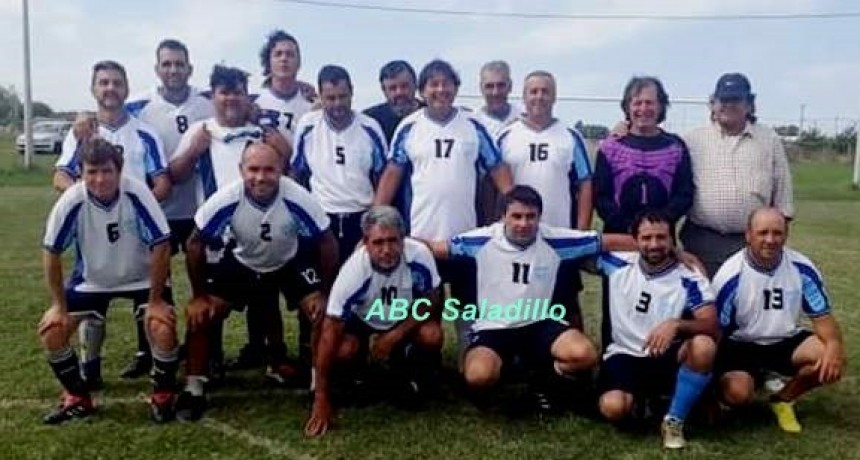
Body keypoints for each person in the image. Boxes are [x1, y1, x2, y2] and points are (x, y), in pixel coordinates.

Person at [422, 185, 635, 413]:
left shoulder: (556, 240)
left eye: (530, 217)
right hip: (494, 325)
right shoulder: (481, 239)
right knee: (478, 377)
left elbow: (605, 241)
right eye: (516, 216)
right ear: (503, 216)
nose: (524, 223)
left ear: (539, 217)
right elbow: (436, 248)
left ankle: (545, 381)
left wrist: (660, 248)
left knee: (584, 355)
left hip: (540, 323)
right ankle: (507, 380)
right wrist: (398, 243)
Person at [175, 143, 337, 421]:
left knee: (321, 313)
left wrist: (325, 292)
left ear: (281, 171)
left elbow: (327, 241)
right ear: (241, 171)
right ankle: (194, 387)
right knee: (202, 315)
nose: (260, 177)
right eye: (253, 169)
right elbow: (194, 242)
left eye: (269, 170)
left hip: (289, 260)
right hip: (243, 260)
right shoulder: (227, 198)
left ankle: (316, 383)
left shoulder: (298, 197)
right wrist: (199, 295)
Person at [374, 59, 514, 365]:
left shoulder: (473, 127)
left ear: (456, 87)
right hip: (421, 239)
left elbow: (497, 168)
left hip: (464, 239)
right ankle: (424, 366)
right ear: (422, 90)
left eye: (446, 83)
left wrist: (513, 206)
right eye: (433, 84)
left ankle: (470, 360)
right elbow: (392, 173)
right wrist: (375, 219)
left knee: (467, 307)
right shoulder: (409, 127)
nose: (440, 90)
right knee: (426, 309)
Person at [97, 39, 214, 380]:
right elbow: (104, 112)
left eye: (179, 64)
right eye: (167, 64)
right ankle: (148, 349)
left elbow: (239, 102)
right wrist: (81, 121)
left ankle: (209, 353)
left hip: (198, 208)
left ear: (190, 68)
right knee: (150, 283)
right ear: (157, 69)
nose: (173, 70)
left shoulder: (206, 103)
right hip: (156, 209)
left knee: (203, 283)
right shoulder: (138, 106)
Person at [38, 138, 178, 424]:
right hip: (92, 280)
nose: (100, 179)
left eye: (106, 171)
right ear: (81, 173)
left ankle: (163, 395)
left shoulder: (137, 193)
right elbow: (51, 252)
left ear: (119, 170)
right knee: (52, 330)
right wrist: (57, 305)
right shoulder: (72, 200)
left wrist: (155, 301)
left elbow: (162, 244)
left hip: (140, 278)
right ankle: (78, 397)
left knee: (162, 327)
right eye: (92, 172)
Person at [53, 60, 170, 387]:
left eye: (116, 83)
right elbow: (60, 175)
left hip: (139, 234)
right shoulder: (81, 134)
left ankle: (150, 357)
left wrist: (139, 205)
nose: (110, 89)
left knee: (150, 297)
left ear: (126, 88)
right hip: (94, 234)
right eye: (103, 83)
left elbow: (162, 182)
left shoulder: (145, 133)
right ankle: (90, 367)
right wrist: (84, 197)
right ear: (93, 89)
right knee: (93, 295)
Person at [168, 64, 290, 379]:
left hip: (257, 233)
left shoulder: (261, 132)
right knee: (213, 304)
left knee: (265, 301)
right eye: (224, 92)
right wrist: (193, 153)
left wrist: (283, 150)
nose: (231, 99)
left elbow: (287, 171)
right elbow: (176, 176)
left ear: (246, 96)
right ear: (214, 96)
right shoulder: (201, 131)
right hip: (214, 234)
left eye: (237, 92)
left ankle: (271, 357)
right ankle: (209, 361)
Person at [304, 206, 443, 438]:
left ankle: (413, 372)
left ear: (403, 238)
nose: (387, 250)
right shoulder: (354, 271)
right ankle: (350, 375)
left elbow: (432, 299)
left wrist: (394, 336)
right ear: (366, 242)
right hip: (363, 321)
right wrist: (320, 398)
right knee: (345, 349)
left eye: (393, 241)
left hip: (400, 317)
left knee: (432, 335)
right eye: (378, 243)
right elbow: (330, 329)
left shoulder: (419, 255)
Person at [713, 207, 846, 433]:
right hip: (741, 344)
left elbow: (823, 319)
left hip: (784, 340)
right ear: (748, 235)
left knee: (831, 357)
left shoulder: (802, 267)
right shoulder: (730, 275)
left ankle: (783, 400)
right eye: (762, 233)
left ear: (786, 234)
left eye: (777, 233)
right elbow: (715, 334)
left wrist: (834, 347)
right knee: (737, 393)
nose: (770, 240)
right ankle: (727, 392)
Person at [595, 209, 718, 450]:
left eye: (661, 238)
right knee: (613, 408)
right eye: (646, 238)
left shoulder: (689, 277)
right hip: (625, 354)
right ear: (635, 241)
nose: (654, 244)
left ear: (673, 241)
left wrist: (677, 324)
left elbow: (712, 326)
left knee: (704, 345)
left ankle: (674, 419)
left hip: (666, 354)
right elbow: (580, 247)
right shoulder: (616, 262)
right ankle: (643, 403)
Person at [594, 76, 694, 350]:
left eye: (650, 102)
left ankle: (662, 366)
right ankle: (613, 364)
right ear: (627, 106)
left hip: (661, 243)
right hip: (620, 243)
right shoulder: (610, 147)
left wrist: (658, 227)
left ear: (661, 106)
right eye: (636, 102)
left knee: (664, 302)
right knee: (617, 305)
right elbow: (601, 197)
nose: (643, 109)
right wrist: (631, 231)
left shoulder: (675, 147)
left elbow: (685, 193)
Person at [497, 70, 593, 331]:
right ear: (524, 96)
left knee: (567, 302)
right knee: (518, 299)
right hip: (518, 236)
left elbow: (585, 184)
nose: (539, 97)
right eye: (533, 91)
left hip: (558, 236)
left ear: (555, 96)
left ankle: (576, 366)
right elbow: (492, 183)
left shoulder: (570, 136)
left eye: (545, 91)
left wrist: (580, 232)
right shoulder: (506, 136)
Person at [680, 73, 794, 277]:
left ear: (749, 104)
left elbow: (783, 199)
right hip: (702, 242)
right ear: (713, 104)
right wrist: (624, 128)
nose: (728, 105)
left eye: (736, 100)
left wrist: (772, 240)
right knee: (704, 307)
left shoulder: (769, 140)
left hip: (753, 243)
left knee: (749, 306)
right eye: (723, 100)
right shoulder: (691, 140)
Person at [291, 65, 387, 266]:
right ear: (320, 97)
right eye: (330, 98)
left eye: (342, 96)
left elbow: (382, 178)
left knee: (362, 286)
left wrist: (375, 219)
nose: (337, 104)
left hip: (361, 218)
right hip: (322, 218)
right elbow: (297, 173)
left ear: (352, 91)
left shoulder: (370, 127)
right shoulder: (308, 126)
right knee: (326, 286)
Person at [253, 29, 316, 162]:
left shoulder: (313, 106)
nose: (284, 59)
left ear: (299, 62)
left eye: (290, 54)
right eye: (278, 54)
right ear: (268, 61)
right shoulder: (256, 104)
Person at [473, 60, 522, 227]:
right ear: (481, 88)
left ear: (510, 86)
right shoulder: (472, 122)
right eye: (489, 86)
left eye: (501, 85)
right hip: (481, 199)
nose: (495, 92)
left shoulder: (524, 119)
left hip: (516, 192)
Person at [363, 60, 423, 144]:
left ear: (415, 85)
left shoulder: (431, 115)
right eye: (392, 88)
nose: (399, 92)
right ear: (384, 90)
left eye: (404, 86)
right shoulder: (370, 120)